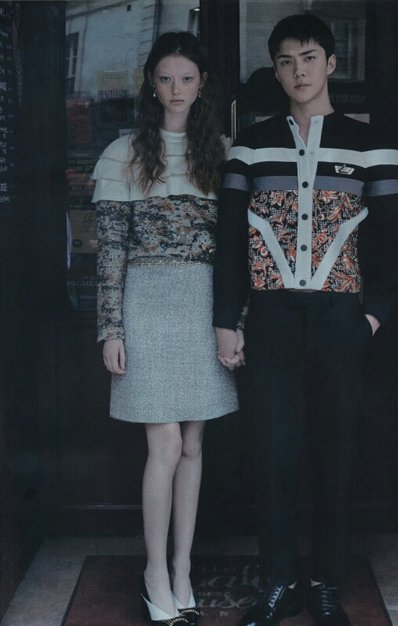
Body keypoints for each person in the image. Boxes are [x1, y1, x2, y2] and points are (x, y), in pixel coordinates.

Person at [213, 13, 398, 626]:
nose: (298, 71)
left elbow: (397, 247)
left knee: (335, 458)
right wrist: (226, 320)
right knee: (272, 456)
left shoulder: (373, 146)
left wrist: (370, 318)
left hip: (339, 319)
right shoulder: (250, 145)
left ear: (330, 63)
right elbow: (229, 243)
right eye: (285, 61)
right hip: (270, 318)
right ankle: (277, 583)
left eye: (308, 58)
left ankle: (326, 583)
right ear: (275, 71)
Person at [93, 31, 238, 626]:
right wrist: (111, 328)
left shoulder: (222, 153)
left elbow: (235, 251)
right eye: (165, 78)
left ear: (202, 86)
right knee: (167, 444)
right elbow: (110, 252)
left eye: (186, 78)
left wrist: (235, 322)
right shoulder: (122, 153)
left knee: (195, 445)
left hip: (204, 304)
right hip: (146, 302)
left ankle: (182, 569)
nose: (176, 89)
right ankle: (155, 572)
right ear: (151, 85)